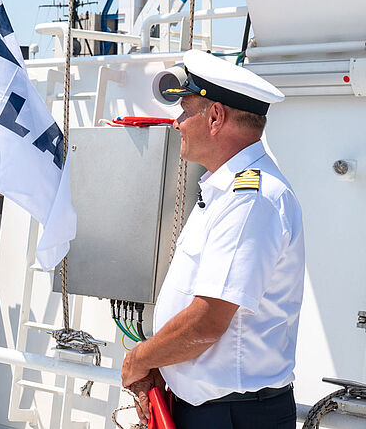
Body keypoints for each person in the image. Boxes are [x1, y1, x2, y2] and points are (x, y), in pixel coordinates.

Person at [121, 50, 305, 428]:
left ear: (216, 117)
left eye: (186, 110)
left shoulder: (250, 200)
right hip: (213, 410)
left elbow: (207, 323)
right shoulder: (228, 192)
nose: (178, 123)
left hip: (233, 415)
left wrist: (140, 359)